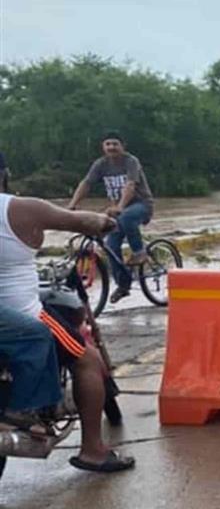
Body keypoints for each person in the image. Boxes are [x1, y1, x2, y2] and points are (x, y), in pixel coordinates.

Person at [0, 192, 134, 472]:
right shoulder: (20, 207)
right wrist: (104, 221)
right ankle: (93, 450)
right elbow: (79, 221)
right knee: (88, 360)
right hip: (22, 312)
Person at [67, 131, 154, 304]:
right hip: (117, 209)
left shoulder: (131, 161)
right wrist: (72, 205)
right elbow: (86, 184)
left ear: (123, 146)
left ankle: (140, 252)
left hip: (140, 205)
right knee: (111, 246)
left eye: (115, 144)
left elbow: (130, 185)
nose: (111, 147)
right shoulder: (100, 164)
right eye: (108, 144)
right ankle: (123, 285)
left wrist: (120, 206)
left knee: (127, 218)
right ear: (103, 147)